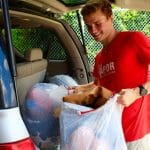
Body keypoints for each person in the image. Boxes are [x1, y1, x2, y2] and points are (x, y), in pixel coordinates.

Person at [72, 0, 150, 149]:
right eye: (88, 26)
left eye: (97, 23)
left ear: (110, 17)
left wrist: (137, 93)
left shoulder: (133, 40)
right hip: (109, 131)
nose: (93, 30)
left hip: (137, 133)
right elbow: (98, 85)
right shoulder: (100, 57)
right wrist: (79, 89)